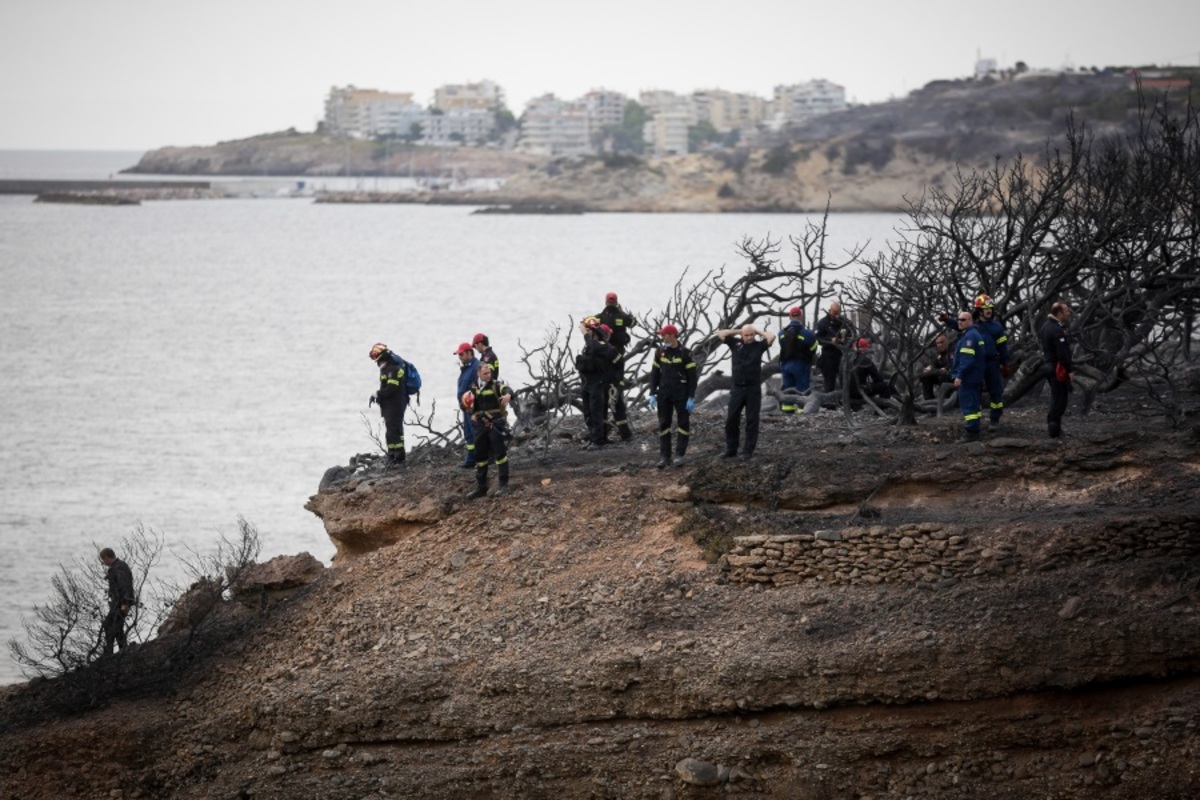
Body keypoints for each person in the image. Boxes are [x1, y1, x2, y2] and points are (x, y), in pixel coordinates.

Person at [716, 324, 777, 460]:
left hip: (753, 389)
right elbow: (720, 333)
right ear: (742, 335)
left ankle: (747, 451)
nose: (749, 337)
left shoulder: (759, 346)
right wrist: (739, 331)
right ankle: (731, 449)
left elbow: (772, 337)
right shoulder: (735, 344)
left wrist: (757, 331)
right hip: (737, 388)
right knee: (731, 419)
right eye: (746, 335)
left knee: (752, 420)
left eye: (751, 335)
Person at [648, 324, 697, 468]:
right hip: (664, 393)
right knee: (664, 424)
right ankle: (665, 457)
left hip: (681, 394)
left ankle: (680, 455)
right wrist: (652, 392)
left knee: (683, 424)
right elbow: (655, 373)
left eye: (664, 335)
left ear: (672, 335)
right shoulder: (660, 352)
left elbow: (692, 377)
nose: (662, 337)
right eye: (661, 335)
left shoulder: (685, 353)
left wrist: (691, 397)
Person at [461, 362, 513, 498]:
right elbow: (467, 403)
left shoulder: (496, 385)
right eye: (485, 373)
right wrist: (471, 411)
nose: (488, 375)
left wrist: (508, 396)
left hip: (495, 424)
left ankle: (504, 485)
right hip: (480, 425)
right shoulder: (474, 387)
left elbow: (507, 389)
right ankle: (481, 487)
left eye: (489, 372)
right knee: (480, 456)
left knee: (500, 454)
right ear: (478, 373)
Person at [597, 292, 636, 441]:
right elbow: (633, 323)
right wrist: (623, 312)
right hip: (617, 357)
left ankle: (603, 434)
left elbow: (589, 325)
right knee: (616, 398)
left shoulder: (600, 317)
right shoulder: (622, 316)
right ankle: (625, 434)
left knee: (604, 399)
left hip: (604, 361)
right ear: (616, 302)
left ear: (606, 302)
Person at [576, 317, 616, 449]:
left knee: (596, 412)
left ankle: (598, 440)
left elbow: (595, 348)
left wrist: (585, 334)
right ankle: (593, 437)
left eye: (588, 330)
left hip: (597, 384)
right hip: (587, 383)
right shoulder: (590, 345)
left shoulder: (603, 345)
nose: (586, 333)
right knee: (587, 412)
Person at [973, 293, 1011, 428]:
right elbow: (958, 324)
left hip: (992, 363)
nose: (989, 310)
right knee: (974, 392)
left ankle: (995, 419)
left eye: (990, 307)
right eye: (985, 307)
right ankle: (974, 422)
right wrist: (947, 320)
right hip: (976, 364)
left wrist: (1005, 363)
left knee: (996, 392)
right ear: (979, 310)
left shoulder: (997, 327)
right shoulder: (973, 325)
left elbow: (1003, 346)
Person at [369, 342, 409, 468]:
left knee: (395, 431)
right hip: (389, 406)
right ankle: (392, 454)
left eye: (375, 355)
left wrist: (378, 394)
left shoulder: (392, 369)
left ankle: (399, 457)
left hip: (395, 406)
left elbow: (391, 388)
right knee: (390, 431)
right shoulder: (386, 368)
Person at [950, 312, 986, 442]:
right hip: (975, 376)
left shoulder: (969, 337)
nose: (960, 322)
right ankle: (974, 431)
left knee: (969, 405)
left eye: (963, 319)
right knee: (975, 405)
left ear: (970, 320)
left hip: (969, 377)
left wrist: (959, 376)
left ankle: (971, 433)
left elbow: (967, 360)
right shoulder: (975, 334)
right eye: (958, 319)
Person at [1040, 301, 1073, 439]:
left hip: (1048, 365)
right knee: (1059, 399)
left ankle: (1055, 428)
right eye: (1066, 311)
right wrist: (1069, 370)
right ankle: (1054, 430)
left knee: (1056, 396)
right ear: (1059, 313)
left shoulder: (1045, 326)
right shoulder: (1056, 330)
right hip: (1056, 368)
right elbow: (1062, 354)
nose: (1068, 313)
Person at [777, 306, 817, 413]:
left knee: (787, 390)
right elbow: (814, 347)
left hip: (786, 365)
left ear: (789, 316)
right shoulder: (806, 333)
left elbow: (782, 346)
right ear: (801, 316)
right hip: (801, 364)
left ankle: (787, 413)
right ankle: (802, 413)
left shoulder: (781, 333)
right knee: (803, 390)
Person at [100, 547, 135, 656]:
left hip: (120, 603)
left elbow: (125, 586)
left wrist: (125, 603)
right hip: (117, 602)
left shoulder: (119, 567)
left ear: (107, 557)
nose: (103, 562)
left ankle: (110, 653)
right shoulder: (116, 567)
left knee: (109, 625)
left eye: (103, 559)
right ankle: (123, 650)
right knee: (117, 627)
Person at [454, 342, 480, 468]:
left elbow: (479, 387)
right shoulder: (466, 367)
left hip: (473, 408)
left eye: (462, 354)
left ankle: (480, 460)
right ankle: (471, 460)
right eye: (459, 355)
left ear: (470, 353)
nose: (460, 357)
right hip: (466, 407)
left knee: (476, 433)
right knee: (469, 434)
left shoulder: (476, 366)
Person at [815, 301, 849, 393]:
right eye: (834, 313)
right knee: (830, 379)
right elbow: (818, 339)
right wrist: (830, 340)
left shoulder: (845, 322)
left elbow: (852, 334)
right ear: (830, 311)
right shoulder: (823, 323)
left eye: (838, 313)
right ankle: (830, 402)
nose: (836, 316)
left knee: (846, 378)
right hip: (829, 354)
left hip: (843, 354)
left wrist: (845, 339)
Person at [849, 337, 894, 403]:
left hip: (846, 390)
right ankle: (879, 409)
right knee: (885, 386)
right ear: (864, 348)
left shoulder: (847, 358)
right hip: (858, 392)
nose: (868, 349)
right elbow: (877, 378)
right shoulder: (865, 360)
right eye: (867, 347)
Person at [920, 333, 954, 401]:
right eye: (938, 343)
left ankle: (945, 399)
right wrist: (929, 369)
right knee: (925, 376)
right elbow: (934, 364)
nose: (939, 345)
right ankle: (929, 400)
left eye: (942, 342)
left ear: (947, 341)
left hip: (955, 376)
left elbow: (954, 364)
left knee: (942, 376)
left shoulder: (953, 350)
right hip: (943, 373)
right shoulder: (939, 353)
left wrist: (945, 369)